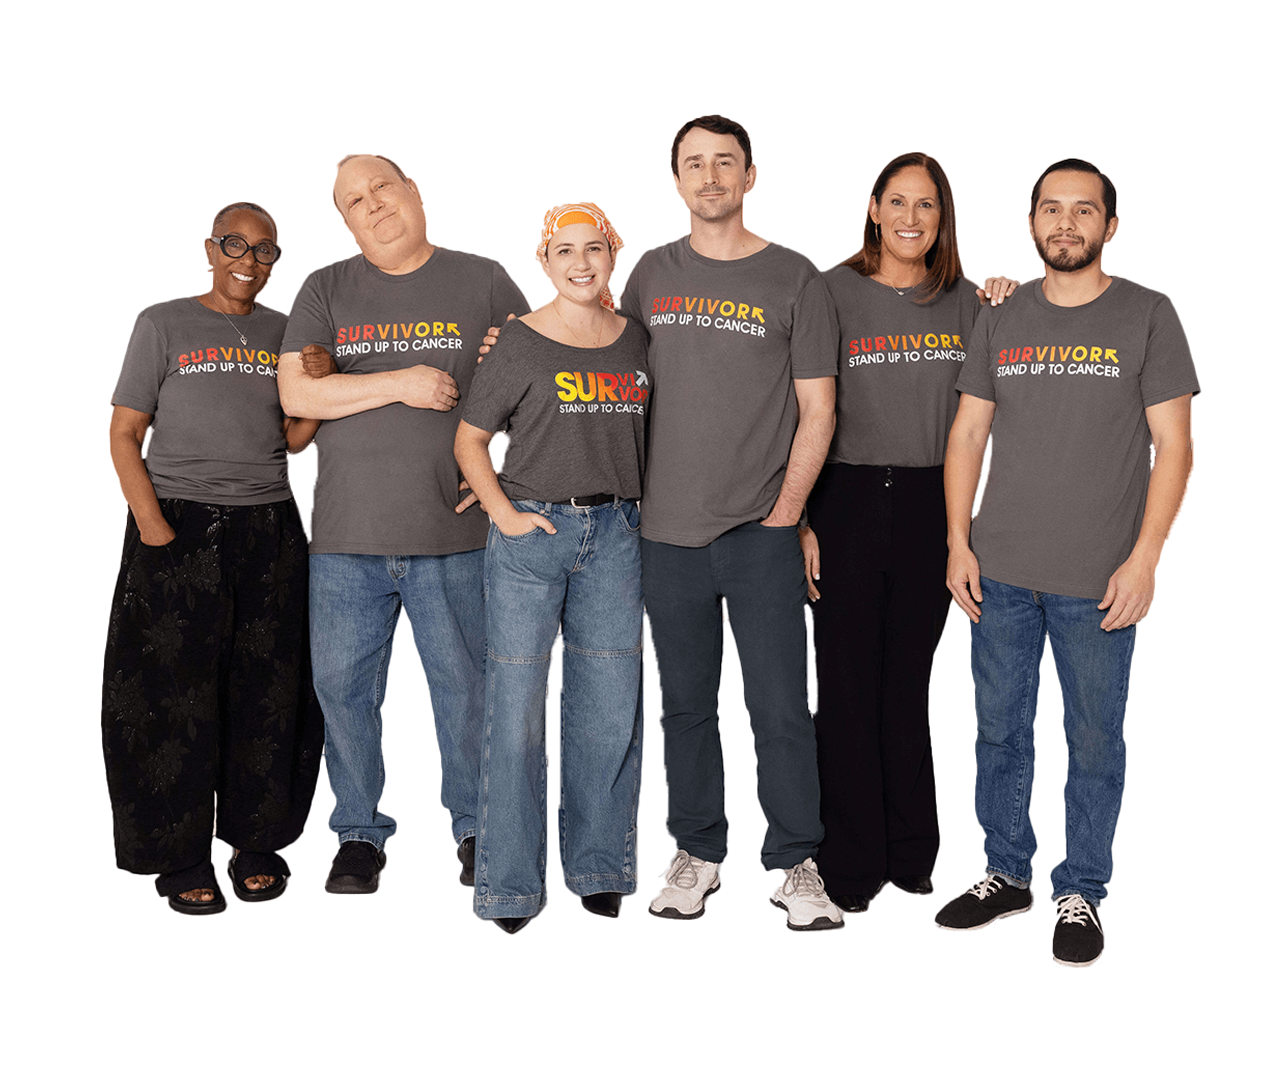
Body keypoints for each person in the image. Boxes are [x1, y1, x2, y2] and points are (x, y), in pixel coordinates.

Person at [936, 159, 1198, 966]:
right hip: (1001, 570)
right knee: (999, 732)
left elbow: (1176, 449)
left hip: (1098, 580)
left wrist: (1145, 558)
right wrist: (957, 542)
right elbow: (969, 433)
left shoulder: (1148, 314)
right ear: (1031, 222)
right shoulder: (1001, 318)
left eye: (1084, 211)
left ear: (1109, 226)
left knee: (1093, 739)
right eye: (1052, 209)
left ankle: (1080, 888)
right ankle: (1005, 872)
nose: (1066, 223)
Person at [277, 154, 528, 895]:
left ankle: (478, 827)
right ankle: (358, 832)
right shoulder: (325, 288)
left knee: (467, 693)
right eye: (354, 200)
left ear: (413, 192)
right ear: (346, 221)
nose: (373, 205)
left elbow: (542, 387)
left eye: (382, 187)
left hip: (451, 538)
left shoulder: (481, 279)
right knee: (343, 692)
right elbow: (296, 392)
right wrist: (404, 383)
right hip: (346, 539)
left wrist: (503, 481)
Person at [623, 115, 844, 930]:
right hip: (665, 535)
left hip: (760, 532)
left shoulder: (795, 280)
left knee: (781, 705)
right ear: (676, 179)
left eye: (725, 162)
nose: (710, 176)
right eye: (694, 163)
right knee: (686, 706)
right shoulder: (649, 273)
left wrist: (788, 515)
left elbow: (818, 409)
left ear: (750, 176)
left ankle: (798, 862)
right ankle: (698, 853)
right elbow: (608, 380)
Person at [802, 153, 1015, 913]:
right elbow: (800, 412)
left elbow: (1002, 393)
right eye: (898, 201)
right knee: (849, 681)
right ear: (873, 207)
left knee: (907, 682)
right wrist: (797, 520)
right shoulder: (828, 292)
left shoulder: (970, 304)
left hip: (932, 503)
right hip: (846, 498)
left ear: (941, 217)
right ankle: (848, 861)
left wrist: (1009, 299)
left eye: (926, 206)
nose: (911, 218)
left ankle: (909, 850)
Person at [102, 202, 324, 915]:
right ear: (210, 247)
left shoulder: (285, 332)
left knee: (269, 690)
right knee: (170, 695)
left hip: (269, 527)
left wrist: (316, 387)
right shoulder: (162, 323)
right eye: (236, 244)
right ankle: (180, 852)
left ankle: (255, 842)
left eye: (265, 251)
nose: (249, 260)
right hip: (177, 521)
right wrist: (153, 525)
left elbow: (292, 439)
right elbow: (124, 433)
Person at [455, 203, 647, 934]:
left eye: (592, 248)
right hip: (535, 533)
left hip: (619, 531)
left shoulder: (636, 341)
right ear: (544, 260)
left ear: (611, 254)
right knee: (516, 713)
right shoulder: (522, 345)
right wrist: (505, 515)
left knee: (606, 709)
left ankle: (599, 866)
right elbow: (471, 441)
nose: (580, 262)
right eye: (563, 251)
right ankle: (507, 885)